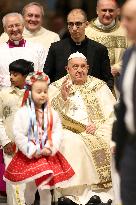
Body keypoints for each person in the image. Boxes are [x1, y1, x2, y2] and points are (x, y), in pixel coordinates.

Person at [48, 52, 117, 205]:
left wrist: (98, 126)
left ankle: (99, 195)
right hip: (70, 131)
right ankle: (72, 195)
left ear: (88, 68)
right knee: (70, 142)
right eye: (75, 67)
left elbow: (113, 113)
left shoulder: (99, 86)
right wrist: (63, 98)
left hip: (97, 130)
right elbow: (49, 115)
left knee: (109, 139)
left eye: (82, 67)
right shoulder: (57, 87)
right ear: (67, 69)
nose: (79, 70)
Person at [4, 71, 74, 205]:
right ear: (30, 92)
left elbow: (57, 131)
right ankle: (28, 202)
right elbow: (19, 134)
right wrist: (31, 150)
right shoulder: (23, 113)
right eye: (39, 91)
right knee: (30, 188)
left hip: (47, 156)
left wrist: (51, 148)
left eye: (45, 91)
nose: (43, 94)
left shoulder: (51, 113)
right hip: (30, 156)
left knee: (45, 188)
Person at [44, 8, 114, 90]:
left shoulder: (99, 49)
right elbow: (46, 78)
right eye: (71, 24)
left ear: (86, 24)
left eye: (78, 24)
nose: (74, 28)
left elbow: (108, 80)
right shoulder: (56, 48)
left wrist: (99, 96)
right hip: (63, 98)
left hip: (91, 100)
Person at [0, 59, 34, 205]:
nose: (11, 77)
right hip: (10, 146)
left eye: (15, 74)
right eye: (10, 74)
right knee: (13, 184)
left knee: (29, 184)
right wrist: (5, 141)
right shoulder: (4, 93)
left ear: (25, 75)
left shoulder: (35, 94)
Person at [112, 0, 136, 205]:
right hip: (130, 149)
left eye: (129, 19)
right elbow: (124, 107)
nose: (123, 25)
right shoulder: (129, 55)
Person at [0, 12, 47, 87]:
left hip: (31, 94)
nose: (15, 29)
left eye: (17, 25)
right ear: (5, 29)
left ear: (23, 26)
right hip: (5, 95)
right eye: (10, 26)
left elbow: (43, 74)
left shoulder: (38, 48)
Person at [85, 0, 128, 77]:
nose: (107, 14)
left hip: (119, 80)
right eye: (104, 10)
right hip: (94, 81)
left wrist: (117, 68)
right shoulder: (86, 32)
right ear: (97, 10)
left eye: (111, 10)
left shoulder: (126, 31)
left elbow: (132, 54)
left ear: (117, 11)